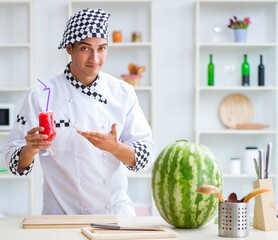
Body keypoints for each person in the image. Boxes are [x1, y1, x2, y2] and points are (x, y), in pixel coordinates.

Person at [4, 8, 156, 216]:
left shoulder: (123, 92)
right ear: (69, 48)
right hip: (60, 218)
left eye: (102, 48)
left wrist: (116, 148)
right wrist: (30, 148)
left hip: (115, 216)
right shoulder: (42, 93)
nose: (95, 58)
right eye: (86, 48)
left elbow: (145, 156)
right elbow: (14, 163)